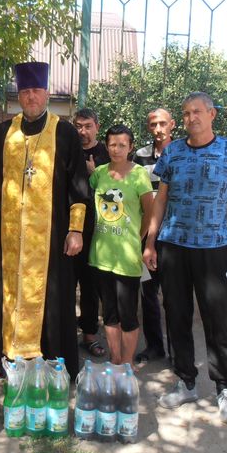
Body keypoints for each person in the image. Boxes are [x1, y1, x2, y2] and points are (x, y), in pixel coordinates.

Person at [143, 92, 227, 425]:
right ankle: (186, 380)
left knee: (217, 319)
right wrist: (151, 241)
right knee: (176, 315)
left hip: (214, 248)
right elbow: (160, 201)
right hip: (173, 246)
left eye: (198, 112)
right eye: (187, 113)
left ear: (212, 114)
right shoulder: (172, 153)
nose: (192, 118)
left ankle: (223, 388)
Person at [0, 61, 89, 378]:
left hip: (50, 238)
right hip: (9, 237)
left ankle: (52, 362)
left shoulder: (64, 133)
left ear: (47, 93)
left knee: (52, 295)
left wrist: (75, 230)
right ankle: (5, 358)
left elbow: (78, 187)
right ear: (19, 95)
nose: (31, 97)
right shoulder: (3, 133)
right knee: (5, 294)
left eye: (36, 91)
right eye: (25, 91)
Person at [89, 124, 154, 369]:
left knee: (127, 315)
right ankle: (114, 360)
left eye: (122, 145)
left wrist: (138, 237)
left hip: (127, 257)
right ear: (107, 146)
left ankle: (126, 364)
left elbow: (149, 211)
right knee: (109, 314)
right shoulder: (100, 174)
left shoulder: (139, 174)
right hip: (101, 255)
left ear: (131, 147)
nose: (117, 149)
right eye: (112, 144)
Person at [133, 108, 176, 364]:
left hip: (173, 236)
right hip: (147, 235)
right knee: (148, 294)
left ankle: (176, 350)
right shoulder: (140, 156)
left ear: (171, 125)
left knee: (173, 296)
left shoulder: (181, 152)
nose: (158, 128)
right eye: (153, 124)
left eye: (162, 123)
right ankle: (154, 346)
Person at [72, 108, 110, 358]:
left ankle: (89, 335)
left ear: (97, 126)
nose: (83, 131)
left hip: (97, 230)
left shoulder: (107, 154)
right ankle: (62, 331)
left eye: (87, 126)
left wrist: (93, 173)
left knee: (90, 286)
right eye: (78, 126)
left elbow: (116, 189)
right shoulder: (67, 149)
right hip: (68, 228)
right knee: (64, 283)